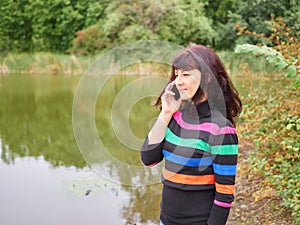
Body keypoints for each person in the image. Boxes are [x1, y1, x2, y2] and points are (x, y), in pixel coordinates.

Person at [140, 44, 242, 225]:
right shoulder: (175, 117)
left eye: (186, 74)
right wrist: (165, 114)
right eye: (177, 74)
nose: (178, 81)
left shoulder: (220, 129)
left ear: (207, 78)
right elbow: (148, 158)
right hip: (166, 220)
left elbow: (224, 196)